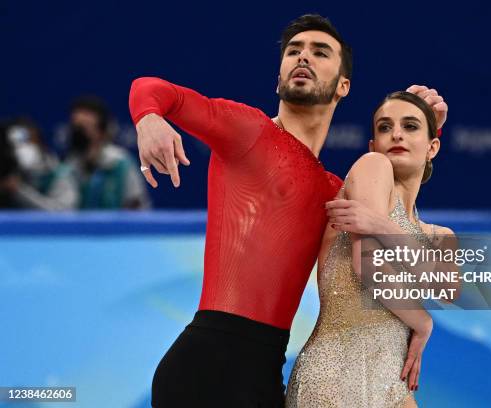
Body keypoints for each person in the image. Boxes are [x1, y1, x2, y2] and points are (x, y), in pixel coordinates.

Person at [129, 14, 448, 407]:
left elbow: (393, 238)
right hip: (208, 365)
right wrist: (148, 120)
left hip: (267, 374)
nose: (303, 57)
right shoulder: (248, 130)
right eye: (294, 51)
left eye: (319, 52)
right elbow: (152, 88)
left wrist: (426, 132)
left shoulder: (334, 191)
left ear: (343, 86)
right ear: (278, 75)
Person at [286, 91, 460, 407]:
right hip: (334, 377)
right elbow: (370, 266)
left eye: (410, 126)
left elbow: (450, 288)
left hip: (390, 384)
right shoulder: (373, 165)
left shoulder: (439, 235)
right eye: (384, 127)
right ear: (372, 145)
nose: (396, 134)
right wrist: (423, 322)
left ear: (432, 147)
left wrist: (383, 227)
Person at [66, 95, 150, 209]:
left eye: (85, 128)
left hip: (117, 226)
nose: (80, 134)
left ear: (102, 130)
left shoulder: (121, 163)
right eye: (76, 128)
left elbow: (137, 205)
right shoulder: (68, 165)